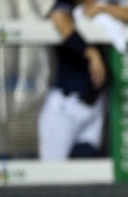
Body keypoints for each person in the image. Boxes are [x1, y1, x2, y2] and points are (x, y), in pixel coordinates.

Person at [38, 0, 108, 160]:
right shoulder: (64, 6)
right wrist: (90, 52)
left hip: (94, 105)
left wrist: (105, 9)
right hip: (65, 105)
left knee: (87, 170)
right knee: (52, 174)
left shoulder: (105, 7)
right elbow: (58, 17)